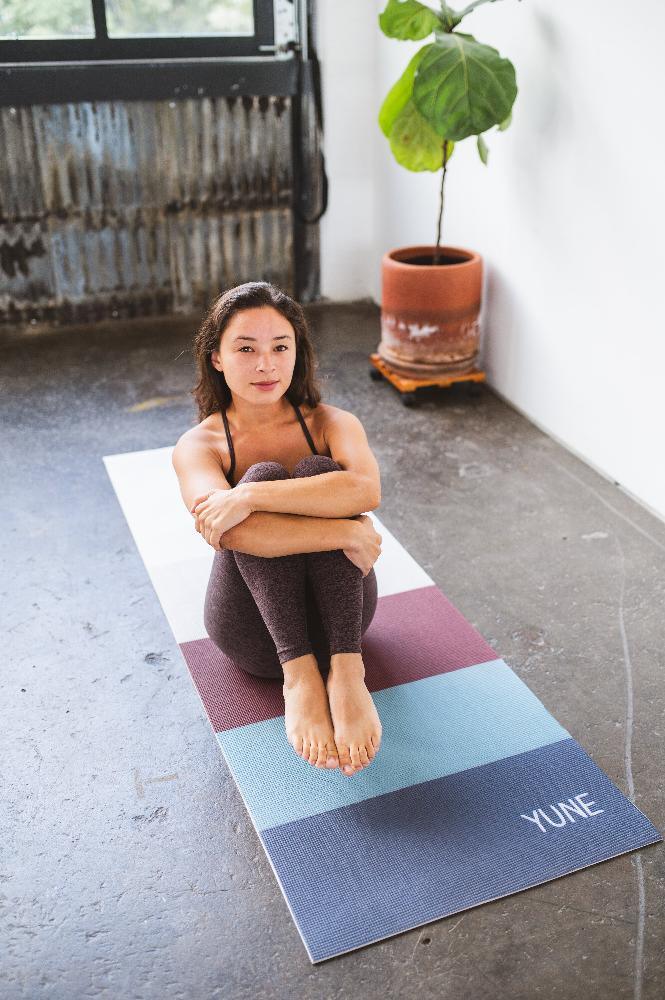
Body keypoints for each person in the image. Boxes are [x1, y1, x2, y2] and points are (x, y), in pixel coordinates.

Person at [171, 281, 383, 778]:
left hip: (344, 624)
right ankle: (299, 676)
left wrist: (248, 497)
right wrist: (345, 532)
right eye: (246, 349)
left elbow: (364, 490)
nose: (266, 365)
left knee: (312, 470)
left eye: (280, 347)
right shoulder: (198, 445)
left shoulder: (333, 422)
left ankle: (347, 672)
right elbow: (232, 535)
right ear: (217, 358)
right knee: (265, 473)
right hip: (256, 636)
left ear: (297, 352)